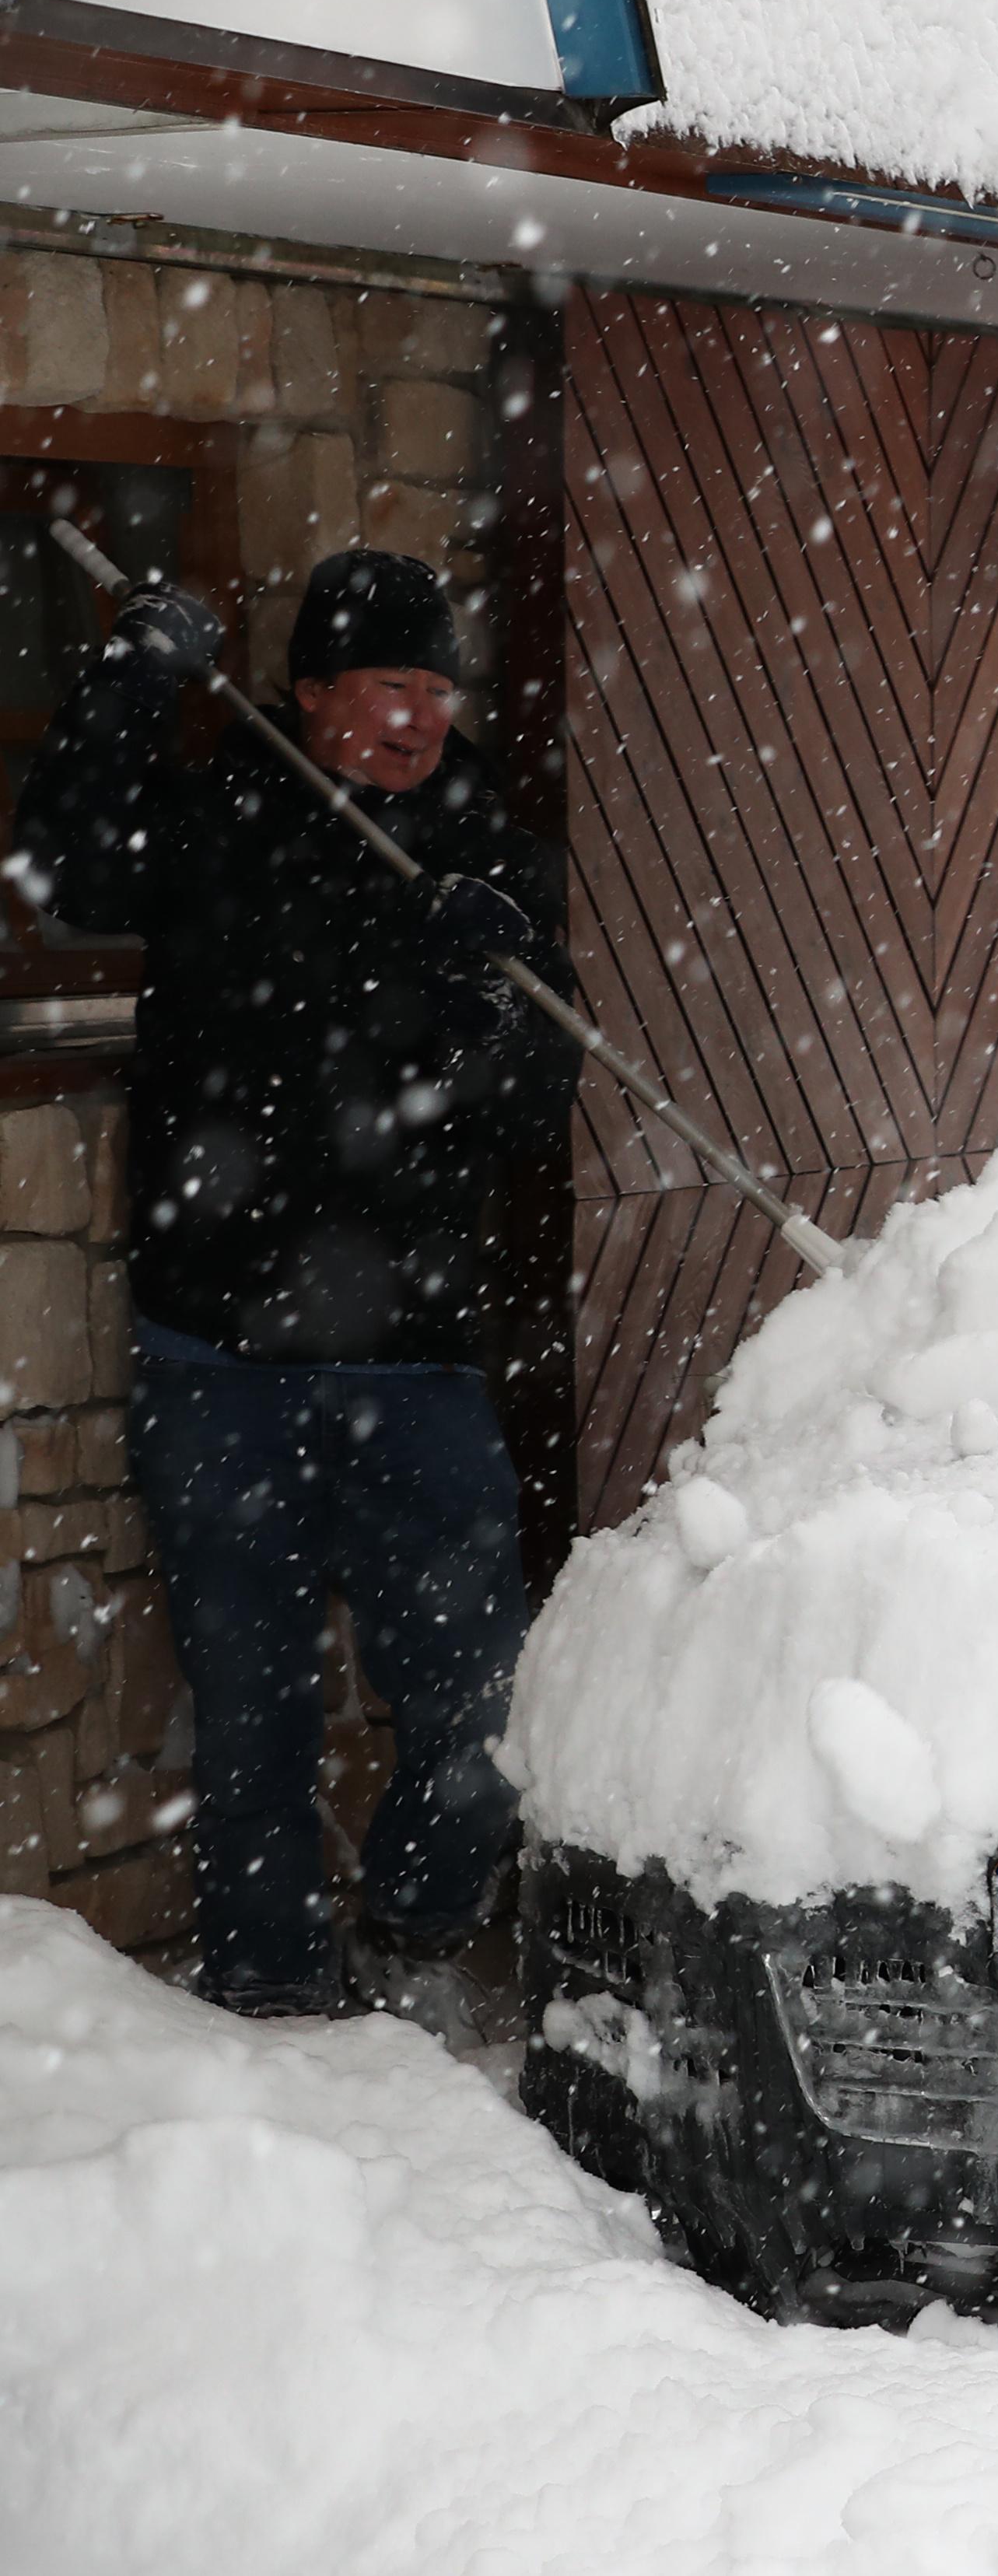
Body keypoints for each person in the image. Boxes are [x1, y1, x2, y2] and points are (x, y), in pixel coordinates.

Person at [15, 548, 576, 2025]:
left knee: (480, 1698)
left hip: (417, 1357)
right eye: (384, 686)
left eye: (435, 690)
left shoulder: (485, 858)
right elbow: (63, 870)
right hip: (221, 1355)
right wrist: (130, 683)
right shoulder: (217, 821)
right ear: (311, 692)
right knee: (252, 1708)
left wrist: (485, 1007)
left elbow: (532, 1101)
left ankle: (420, 1910)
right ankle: (268, 1986)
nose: (413, 719)